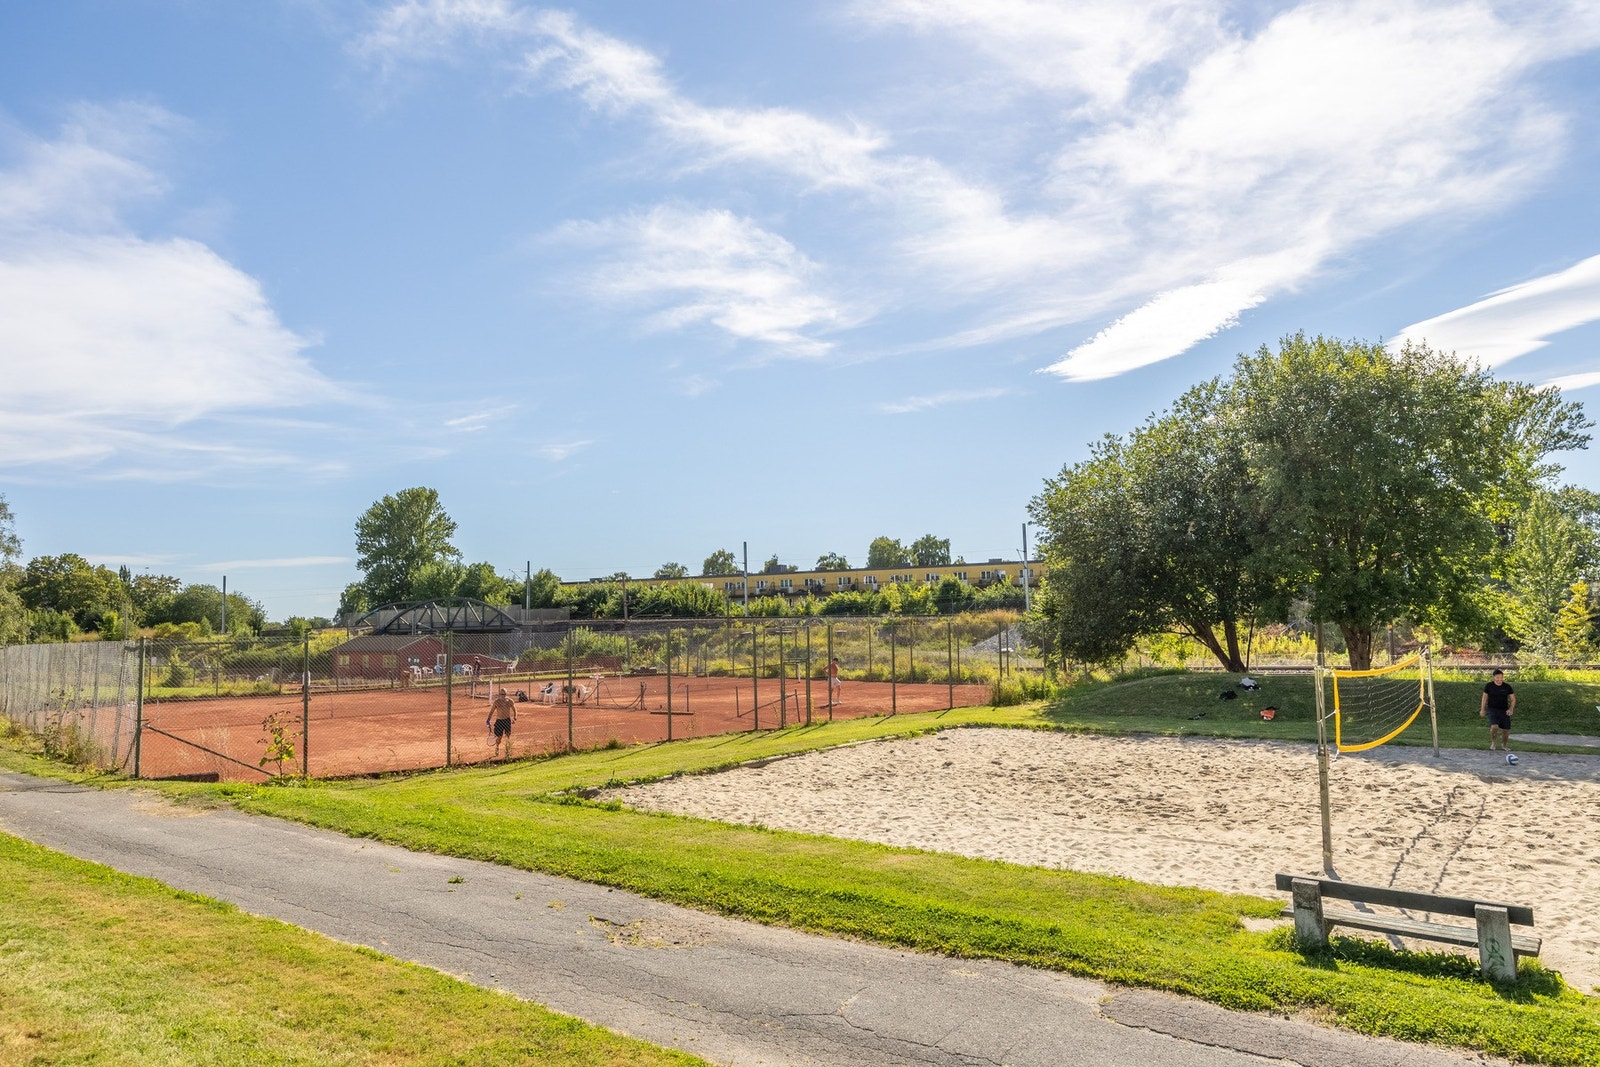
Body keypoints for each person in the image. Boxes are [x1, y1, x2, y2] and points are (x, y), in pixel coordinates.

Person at [1480, 669, 1515, 751]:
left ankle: (1504, 745)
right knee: (1494, 726)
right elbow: (1484, 698)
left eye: (1501, 677)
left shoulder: (1507, 687)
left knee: (1506, 730)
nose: (1499, 679)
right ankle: (1493, 743)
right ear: (1494, 677)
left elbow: (1513, 699)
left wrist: (1511, 709)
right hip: (1493, 709)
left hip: (1504, 710)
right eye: (1497, 677)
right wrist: (1482, 709)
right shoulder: (1489, 686)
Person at [488, 688, 517, 758]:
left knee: (508, 736)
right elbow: (491, 711)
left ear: (506, 694)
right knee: (499, 737)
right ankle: (497, 747)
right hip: (499, 721)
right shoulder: (496, 702)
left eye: (504, 694)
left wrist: (515, 717)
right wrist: (488, 720)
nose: (503, 696)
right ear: (499, 694)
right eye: (501, 694)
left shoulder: (509, 701)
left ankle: (508, 751)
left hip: (507, 720)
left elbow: (514, 709)